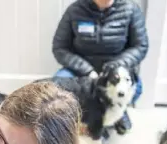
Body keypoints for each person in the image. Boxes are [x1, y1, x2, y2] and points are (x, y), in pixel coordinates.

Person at [52, 0, 149, 136]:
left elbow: (140, 46)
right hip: (81, 70)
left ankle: (115, 110)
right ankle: (84, 119)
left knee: (136, 88)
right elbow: (60, 48)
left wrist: (115, 67)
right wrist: (87, 70)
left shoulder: (131, 9)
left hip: (115, 71)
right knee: (57, 87)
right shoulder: (75, 10)